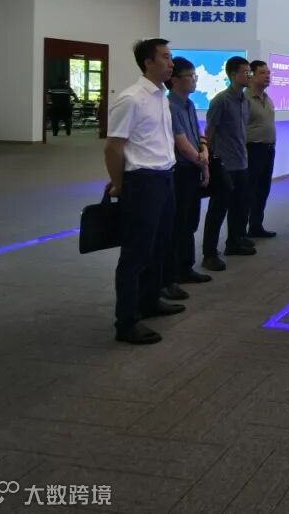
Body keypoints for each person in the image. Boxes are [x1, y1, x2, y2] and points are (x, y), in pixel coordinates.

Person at [104, 38, 184, 345]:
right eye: (165, 57)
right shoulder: (131, 99)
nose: (171, 63)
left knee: (159, 245)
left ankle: (149, 301)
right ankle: (126, 322)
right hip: (142, 181)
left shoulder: (161, 96)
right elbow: (113, 147)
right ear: (148, 62)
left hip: (165, 177)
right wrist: (120, 184)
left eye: (171, 57)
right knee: (136, 254)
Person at [164, 56, 212, 299]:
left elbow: (198, 134)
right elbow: (181, 144)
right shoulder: (169, 106)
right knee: (178, 223)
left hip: (193, 167)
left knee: (190, 221)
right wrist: (201, 161)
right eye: (190, 76)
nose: (194, 80)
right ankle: (171, 274)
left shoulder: (189, 104)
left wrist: (204, 154)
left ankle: (186, 267)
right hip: (179, 171)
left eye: (195, 76)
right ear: (174, 80)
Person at [202, 56, 255, 270]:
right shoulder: (220, 101)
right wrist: (209, 161)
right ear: (233, 75)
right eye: (246, 72)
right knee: (217, 211)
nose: (249, 76)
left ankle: (234, 242)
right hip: (224, 164)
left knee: (240, 207)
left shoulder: (245, 101)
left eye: (250, 72)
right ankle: (209, 254)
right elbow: (210, 131)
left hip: (241, 162)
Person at [245, 60, 277, 239]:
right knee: (248, 191)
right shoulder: (245, 99)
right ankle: (240, 231)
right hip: (252, 150)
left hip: (268, 149)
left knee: (263, 190)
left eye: (269, 73)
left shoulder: (267, 98)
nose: (267, 76)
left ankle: (256, 226)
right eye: (263, 73)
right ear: (251, 76)